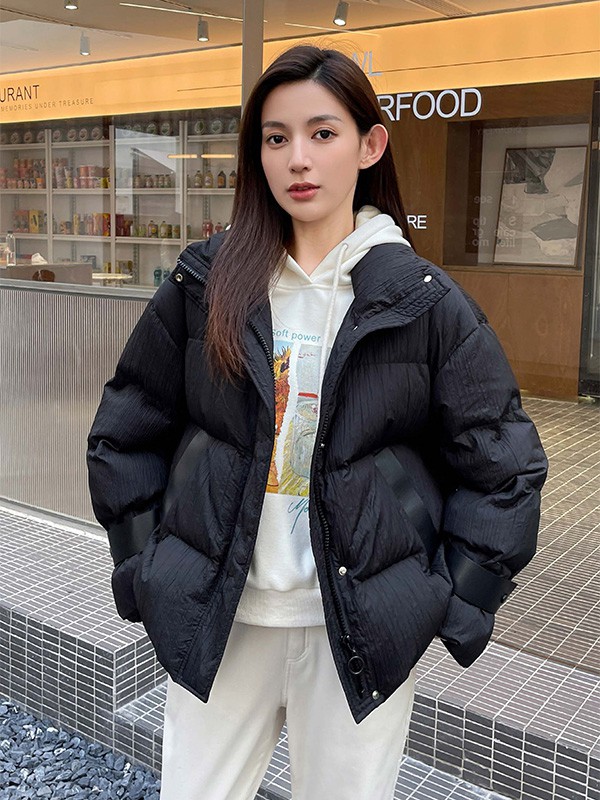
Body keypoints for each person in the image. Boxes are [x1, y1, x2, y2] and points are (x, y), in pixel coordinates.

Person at [87, 45, 548, 800]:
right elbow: (126, 430)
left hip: (358, 634)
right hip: (222, 620)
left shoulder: (423, 302)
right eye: (276, 138)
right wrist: (145, 568)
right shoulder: (207, 285)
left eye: (322, 133)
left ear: (370, 145)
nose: (298, 158)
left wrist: (450, 599)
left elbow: (505, 468)